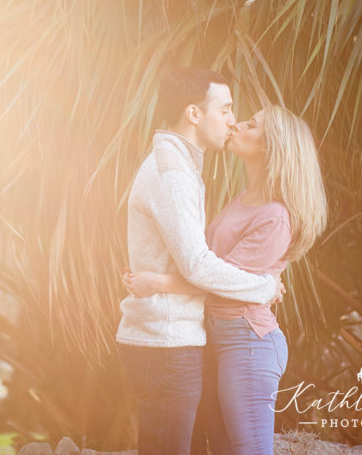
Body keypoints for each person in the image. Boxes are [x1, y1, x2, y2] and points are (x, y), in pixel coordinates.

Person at [125, 105, 327, 455]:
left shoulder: (276, 217)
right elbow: (210, 266)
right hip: (222, 340)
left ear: (269, 147)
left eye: (252, 124)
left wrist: (157, 283)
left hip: (248, 343)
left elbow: (217, 279)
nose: (237, 124)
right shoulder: (245, 200)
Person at [115, 67, 282, 455]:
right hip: (166, 343)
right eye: (224, 110)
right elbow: (197, 265)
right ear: (194, 114)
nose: (232, 120)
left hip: (170, 340)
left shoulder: (181, 165)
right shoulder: (173, 173)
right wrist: (265, 286)